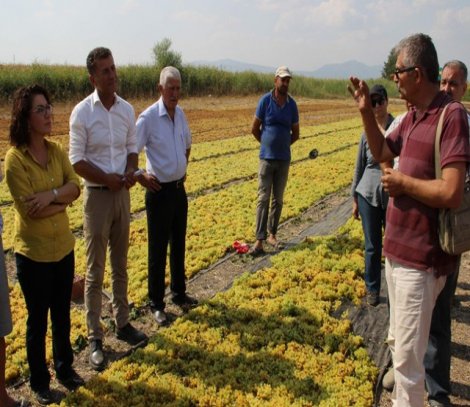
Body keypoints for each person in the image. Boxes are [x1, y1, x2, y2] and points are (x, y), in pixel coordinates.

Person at [350, 33, 470, 407]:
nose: (394, 77)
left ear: (417, 73)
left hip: (423, 261)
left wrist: (403, 182)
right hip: (398, 256)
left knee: (407, 364)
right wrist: (366, 112)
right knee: (402, 350)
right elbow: (383, 149)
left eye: (398, 71)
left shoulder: (450, 117)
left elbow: (451, 191)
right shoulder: (411, 117)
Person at [69, 47, 147, 371]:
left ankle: (123, 321)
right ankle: (95, 338)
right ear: (93, 78)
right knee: (94, 269)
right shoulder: (82, 113)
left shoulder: (126, 110)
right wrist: (108, 179)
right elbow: (77, 160)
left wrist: (129, 172)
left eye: (113, 68)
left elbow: (132, 148)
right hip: (98, 197)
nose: (112, 75)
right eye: (105, 71)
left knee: (120, 262)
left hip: (121, 195)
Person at [5, 85, 83, 405]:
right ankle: (39, 380)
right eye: (41, 109)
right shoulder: (14, 160)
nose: (49, 114)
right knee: (38, 319)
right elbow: (29, 212)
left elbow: (75, 187)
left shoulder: (56, 150)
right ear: (25, 116)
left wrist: (52, 197)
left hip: (62, 248)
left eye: (49, 108)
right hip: (33, 254)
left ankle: (65, 368)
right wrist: (60, 200)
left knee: (61, 314)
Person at [135, 66, 197, 326]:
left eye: (178, 88)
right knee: (157, 249)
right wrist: (140, 175)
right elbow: (130, 152)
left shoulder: (180, 114)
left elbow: (187, 144)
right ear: (160, 89)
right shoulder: (148, 118)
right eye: (170, 88)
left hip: (178, 190)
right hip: (158, 192)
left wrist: (180, 167)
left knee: (179, 243)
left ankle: (179, 293)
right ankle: (157, 303)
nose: (175, 93)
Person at [423, 60, 469, 407]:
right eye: (443, 82)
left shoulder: (464, 123)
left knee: (439, 312)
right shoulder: (431, 119)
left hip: (450, 229)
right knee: (415, 309)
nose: (447, 88)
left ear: (464, 88)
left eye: (454, 84)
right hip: (423, 226)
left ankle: (437, 390)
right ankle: (413, 373)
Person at [351, 84, 394, 306]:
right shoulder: (365, 133)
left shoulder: (397, 127)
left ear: (387, 102)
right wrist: (354, 199)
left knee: (394, 244)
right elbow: (359, 168)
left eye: (380, 101)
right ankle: (372, 289)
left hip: (391, 193)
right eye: (373, 101)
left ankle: (396, 289)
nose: (376, 106)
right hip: (367, 191)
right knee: (372, 245)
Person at [250, 66, 300, 255]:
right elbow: (254, 128)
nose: (285, 83)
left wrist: (283, 145)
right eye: (283, 80)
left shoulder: (292, 105)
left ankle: (272, 234)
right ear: (275, 80)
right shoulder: (265, 101)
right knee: (263, 198)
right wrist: (266, 144)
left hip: (283, 160)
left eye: (288, 80)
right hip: (266, 159)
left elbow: (296, 133)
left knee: (277, 200)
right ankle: (259, 240)